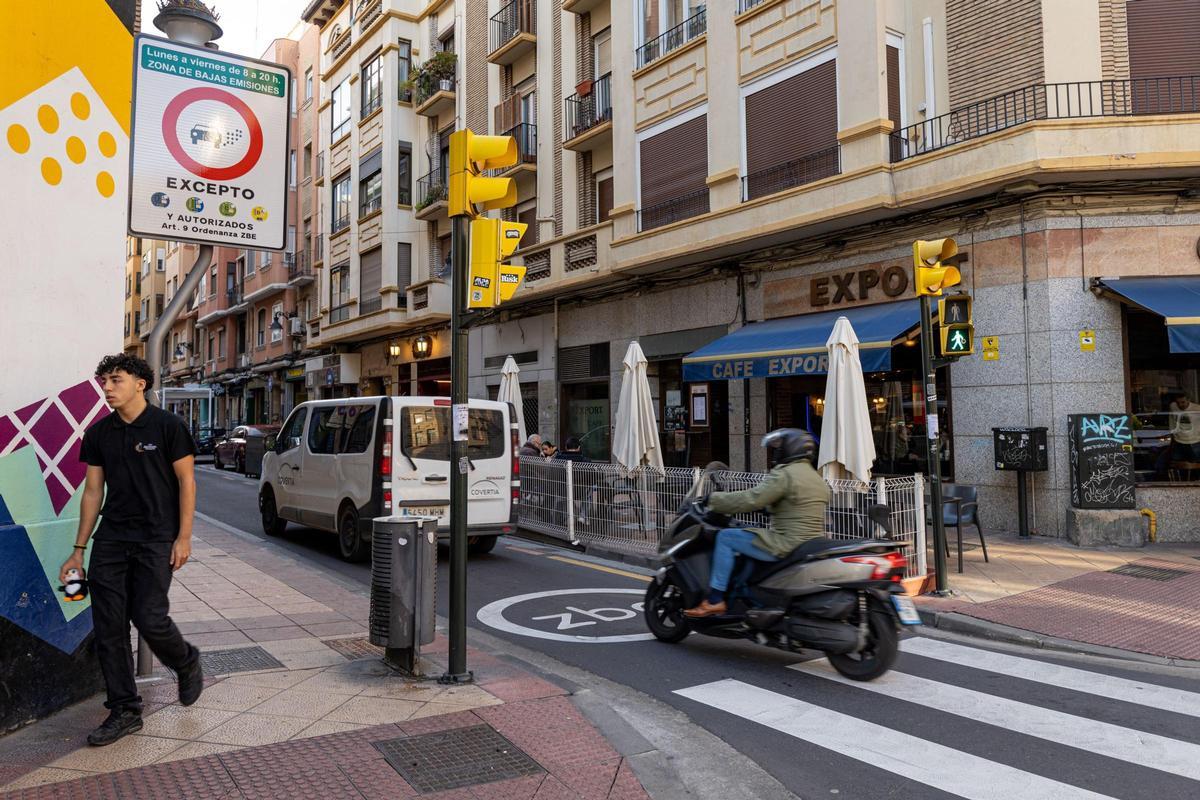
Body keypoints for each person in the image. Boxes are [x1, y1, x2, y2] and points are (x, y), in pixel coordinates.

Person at [59, 354, 203, 747]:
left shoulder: (169, 427)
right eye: (104, 381)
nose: (107, 387)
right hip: (111, 540)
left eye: (115, 380)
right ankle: (124, 709)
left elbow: (187, 482)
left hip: (157, 538)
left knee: (149, 617)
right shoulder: (99, 433)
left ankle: (186, 660)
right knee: (109, 628)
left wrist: (184, 537)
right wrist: (78, 550)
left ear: (140, 383)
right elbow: (92, 491)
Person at [684, 429, 830, 618]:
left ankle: (715, 600)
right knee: (750, 534)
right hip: (809, 542)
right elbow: (796, 506)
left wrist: (713, 499)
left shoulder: (785, 475)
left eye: (780, 448)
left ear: (791, 449)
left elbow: (751, 499)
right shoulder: (816, 478)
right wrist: (768, 509)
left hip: (784, 543)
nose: (777, 453)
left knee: (726, 537)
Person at [1169, 392, 1200, 463]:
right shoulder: (1173, 406)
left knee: (1196, 465)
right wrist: (1172, 433)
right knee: (1177, 465)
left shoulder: (1197, 409)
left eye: (1183, 402)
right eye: (1178, 402)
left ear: (1188, 400)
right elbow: (1171, 419)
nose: (1180, 405)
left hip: (1194, 442)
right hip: (1178, 441)